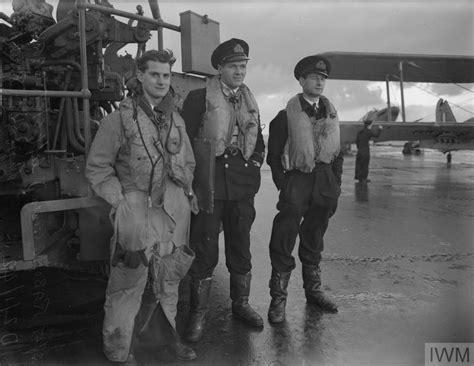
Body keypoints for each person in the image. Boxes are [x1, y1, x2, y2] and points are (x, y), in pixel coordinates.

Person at [86, 49, 198, 364]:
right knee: (127, 283)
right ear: (140, 76)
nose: (162, 81)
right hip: (136, 211)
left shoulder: (176, 118)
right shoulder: (118, 120)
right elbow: (98, 169)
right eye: (155, 74)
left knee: (170, 279)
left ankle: (165, 341)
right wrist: (120, 200)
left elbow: (188, 161)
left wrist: (185, 192)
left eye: (166, 75)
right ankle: (120, 351)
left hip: (173, 211)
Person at [181, 38, 265, 342]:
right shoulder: (198, 97)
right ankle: (197, 314)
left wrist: (254, 167)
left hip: (242, 187)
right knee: (204, 249)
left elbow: (259, 142)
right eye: (233, 66)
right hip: (209, 184)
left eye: (243, 66)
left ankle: (241, 305)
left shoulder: (249, 100)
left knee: (240, 247)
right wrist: (191, 185)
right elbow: (184, 143)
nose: (240, 71)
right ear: (220, 68)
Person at [266, 55, 343, 324]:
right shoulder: (284, 116)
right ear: (301, 81)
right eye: (314, 78)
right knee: (284, 237)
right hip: (297, 180)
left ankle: (314, 292)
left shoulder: (331, 112)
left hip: (324, 182)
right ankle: (278, 298)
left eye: (323, 79)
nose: (320, 82)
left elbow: (338, 153)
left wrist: (336, 184)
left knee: (314, 237)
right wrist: (284, 185)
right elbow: (273, 156)